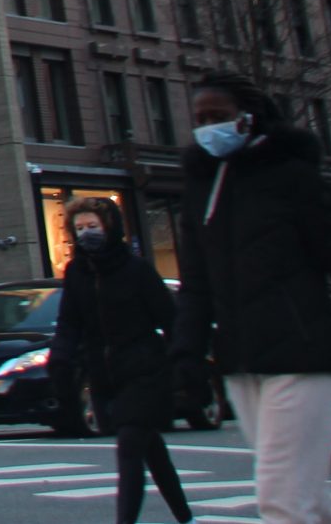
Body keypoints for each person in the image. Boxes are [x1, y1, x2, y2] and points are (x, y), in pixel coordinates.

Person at [171, 73, 331, 524]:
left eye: (219, 117)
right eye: (200, 118)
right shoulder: (198, 189)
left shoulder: (292, 178)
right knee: (308, 500)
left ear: (249, 119)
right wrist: (186, 355)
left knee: (281, 498)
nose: (208, 126)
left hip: (303, 355)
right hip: (242, 362)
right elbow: (195, 283)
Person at [56, 197, 192, 524]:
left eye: (93, 226)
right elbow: (70, 322)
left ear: (109, 227)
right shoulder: (76, 272)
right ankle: (186, 518)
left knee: (129, 449)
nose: (86, 233)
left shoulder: (137, 269)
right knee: (151, 450)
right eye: (80, 228)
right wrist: (59, 359)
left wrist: (184, 369)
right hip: (106, 375)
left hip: (145, 371)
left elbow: (169, 319)